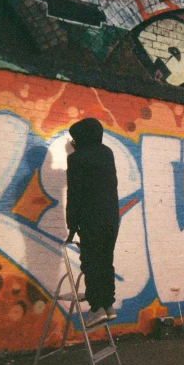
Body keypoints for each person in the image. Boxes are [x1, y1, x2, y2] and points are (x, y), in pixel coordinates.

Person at [65, 118, 120, 327]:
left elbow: (75, 193)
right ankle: (108, 305)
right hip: (111, 219)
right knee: (106, 261)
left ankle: (96, 309)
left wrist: (72, 224)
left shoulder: (77, 159)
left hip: (91, 218)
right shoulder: (107, 153)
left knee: (91, 262)